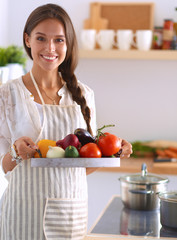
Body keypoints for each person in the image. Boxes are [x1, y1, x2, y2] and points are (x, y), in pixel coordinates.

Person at [0, 3, 132, 240]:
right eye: (41, 38)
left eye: (59, 40)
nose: (50, 48)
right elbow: (4, 166)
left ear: (68, 44)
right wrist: (17, 152)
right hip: (22, 212)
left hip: (72, 212)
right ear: (28, 40)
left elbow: (85, 165)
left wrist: (113, 152)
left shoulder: (84, 94)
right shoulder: (7, 95)